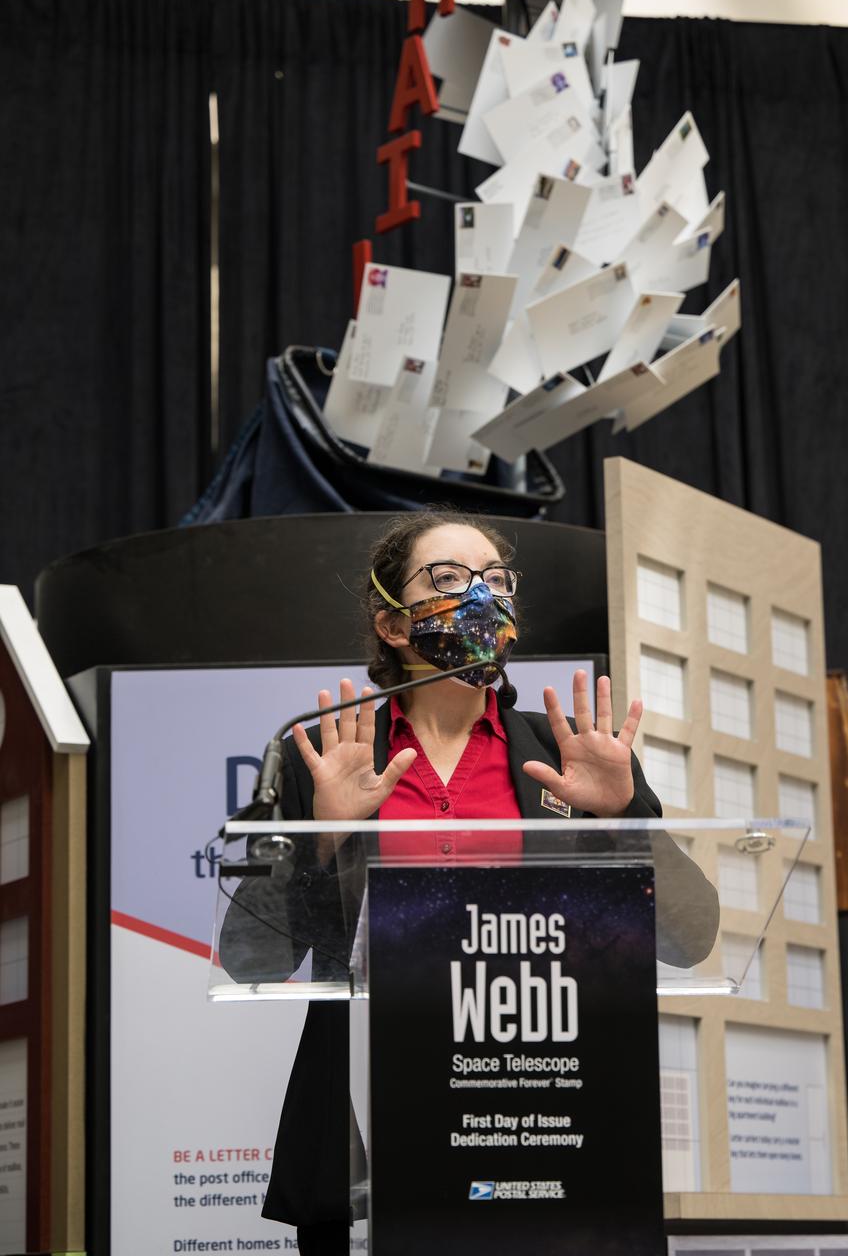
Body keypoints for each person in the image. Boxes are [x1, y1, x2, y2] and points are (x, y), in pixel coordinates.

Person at [220, 509, 719, 1256]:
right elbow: (250, 960)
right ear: (392, 624)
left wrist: (624, 816)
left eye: (497, 580)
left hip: (543, 1129)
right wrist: (321, 838)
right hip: (369, 1148)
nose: (482, 596)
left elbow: (690, 939)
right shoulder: (319, 761)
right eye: (448, 579)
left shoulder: (572, 759)